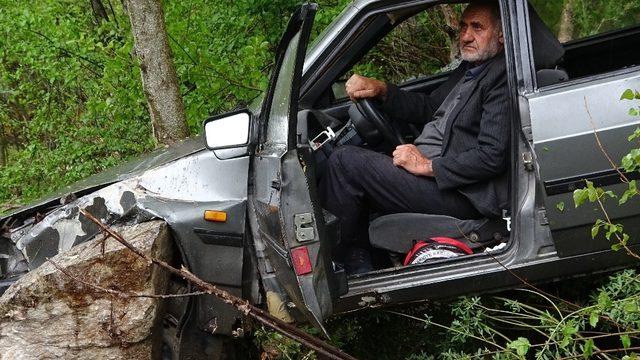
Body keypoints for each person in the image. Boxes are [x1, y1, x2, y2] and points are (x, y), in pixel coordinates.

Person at [320, 0, 511, 273]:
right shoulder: (472, 70)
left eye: (477, 27)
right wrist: (382, 90)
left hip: (462, 194)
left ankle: (334, 266)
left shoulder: (500, 76)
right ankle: (361, 254)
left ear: (501, 35)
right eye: (463, 26)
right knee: (362, 161)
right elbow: (432, 108)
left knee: (344, 163)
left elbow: (492, 156)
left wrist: (427, 166)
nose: (466, 36)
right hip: (441, 179)